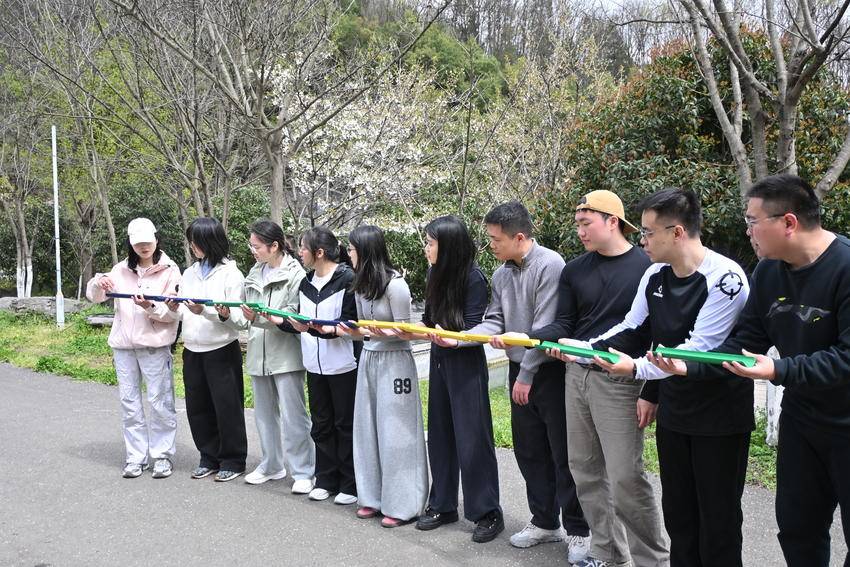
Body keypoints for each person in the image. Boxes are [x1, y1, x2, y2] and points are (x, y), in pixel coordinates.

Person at [649, 174, 850, 567]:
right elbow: (744, 344)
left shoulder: (844, 266)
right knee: (798, 528)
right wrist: (690, 365)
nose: (748, 231)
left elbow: (846, 358)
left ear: (788, 222)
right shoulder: (769, 272)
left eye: (753, 221)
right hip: (802, 420)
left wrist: (779, 368)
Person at [556, 188, 751, 567]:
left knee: (718, 519)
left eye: (647, 232)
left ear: (677, 232)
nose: (641, 240)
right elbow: (632, 328)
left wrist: (632, 369)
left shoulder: (726, 278)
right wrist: (586, 350)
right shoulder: (655, 274)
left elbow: (694, 351)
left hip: (719, 415)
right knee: (680, 514)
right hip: (675, 411)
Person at [437, 201, 591, 562]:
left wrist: (526, 375)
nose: (491, 245)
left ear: (519, 237)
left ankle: (578, 530)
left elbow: (544, 328)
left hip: (548, 372)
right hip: (518, 371)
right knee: (529, 451)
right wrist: (459, 339)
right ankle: (545, 522)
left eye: (496, 239)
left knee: (562, 454)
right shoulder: (502, 274)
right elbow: (495, 320)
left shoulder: (551, 265)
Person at [529, 191, 668, 567]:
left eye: (586, 223)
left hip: (621, 382)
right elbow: (566, 323)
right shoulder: (575, 270)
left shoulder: (648, 267)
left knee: (625, 476)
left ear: (612, 221)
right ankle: (607, 554)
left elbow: (660, 333)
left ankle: (653, 561)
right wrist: (536, 337)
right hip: (576, 376)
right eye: (577, 224)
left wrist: (652, 391)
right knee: (584, 469)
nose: (580, 231)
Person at [399, 215, 503, 542]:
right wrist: (412, 330)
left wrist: (451, 338)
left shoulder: (473, 278)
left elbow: (474, 327)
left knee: (473, 439)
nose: (426, 249)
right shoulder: (434, 272)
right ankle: (443, 505)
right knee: (440, 435)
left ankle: (487, 511)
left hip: (465, 361)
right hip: (440, 358)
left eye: (431, 243)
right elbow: (430, 320)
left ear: (448, 246)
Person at [337, 225, 428, 528]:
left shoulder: (396, 285)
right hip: (369, 357)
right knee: (367, 427)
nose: (348, 255)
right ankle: (371, 497)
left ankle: (403, 504)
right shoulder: (361, 285)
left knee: (397, 431)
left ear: (365, 251)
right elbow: (363, 328)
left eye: (351, 249)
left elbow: (406, 331)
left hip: (395, 361)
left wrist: (381, 331)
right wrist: (346, 330)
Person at [263, 226, 359, 506]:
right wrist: (280, 321)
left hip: (343, 365)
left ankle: (350, 483)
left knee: (345, 425)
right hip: (314, 366)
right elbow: (302, 323)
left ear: (319, 252)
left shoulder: (347, 280)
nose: (299, 252)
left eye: (303, 248)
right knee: (321, 424)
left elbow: (350, 325)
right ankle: (326, 479)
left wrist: (319, 330)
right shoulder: (306, 283)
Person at [86, 217, 181, 479]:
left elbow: (173, 314)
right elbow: (95, 297)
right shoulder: (120, 270)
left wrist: (149, 307)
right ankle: (135, 457)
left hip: (155, 346)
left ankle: (162, 456)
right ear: (130, 243)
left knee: (160, 401)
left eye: (148, 242)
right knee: (129, 402)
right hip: (124, 347)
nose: (144, 247)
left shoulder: (170, 270)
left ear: (156, 239)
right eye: (138, 243)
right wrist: (98, 282)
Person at [164, 217, 248, 482]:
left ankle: (233, 460)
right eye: (191, 242)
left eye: (196, 242)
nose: (193, 247)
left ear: (210, 242)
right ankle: (208, 457)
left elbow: (238, 319)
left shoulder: (231, 274)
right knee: (197, 407)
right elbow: (184, 313)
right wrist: (173, 308)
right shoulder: (189, 273)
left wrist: (207, 311)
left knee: (227, 407)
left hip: (221, 349)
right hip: (192, 348)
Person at [240, 220, 315, 494]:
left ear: (274, 246)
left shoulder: (296, 274)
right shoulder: (253, 273)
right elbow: (243, 315)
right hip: (257, 353)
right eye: (251, 245)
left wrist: (259, 318)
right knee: (264, 415)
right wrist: (233, 314)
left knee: (294, 416)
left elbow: (293, 316)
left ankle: (303, 471)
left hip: (286, 354)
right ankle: (271, 464)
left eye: (257, 246)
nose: (253, 251)